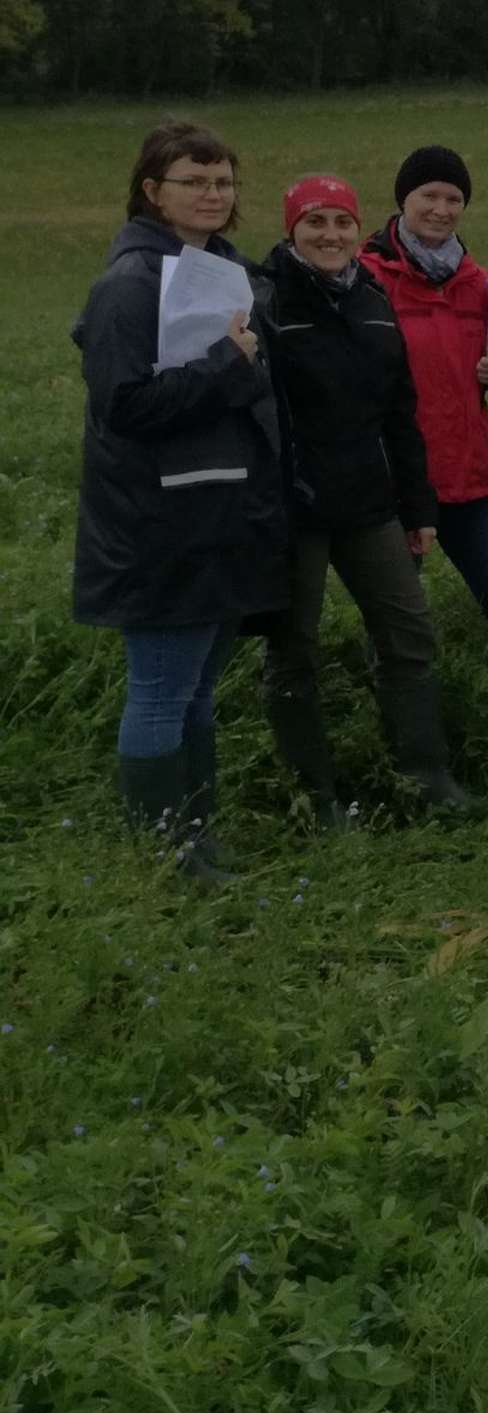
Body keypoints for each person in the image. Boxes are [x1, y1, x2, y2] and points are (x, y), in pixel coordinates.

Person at [72, 122, 286, 880]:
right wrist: (231, 369)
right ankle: (162, 855)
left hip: (218, 513)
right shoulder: (130, 284)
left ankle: (197, 837)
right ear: (151, 190)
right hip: (155, 524)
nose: (213, 194)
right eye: (195, 180)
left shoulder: (220, 271)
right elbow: (123, 405)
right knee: (162, 693)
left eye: (223, 181)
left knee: (196, 693)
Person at [256, 175, 469, 824]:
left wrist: (420, 508)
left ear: (358, 230)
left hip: (370, 503)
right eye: (315, 222)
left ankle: (425, 778)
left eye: (342, 222)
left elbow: (400, 413)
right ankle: (315, 797)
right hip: (296, 510)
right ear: (292, 230)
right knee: (293, 651)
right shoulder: (268, 300)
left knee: (409, 636)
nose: (331, 235)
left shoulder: (371, 299)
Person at [360, 145, 488, 666]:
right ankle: (391, 732)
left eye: (454, 198)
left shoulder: (478, 283)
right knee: (394, 635)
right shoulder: (363, 277)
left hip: (470, 478)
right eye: (430, 195)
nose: (442, 209)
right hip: (395, 484)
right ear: (404, 199)